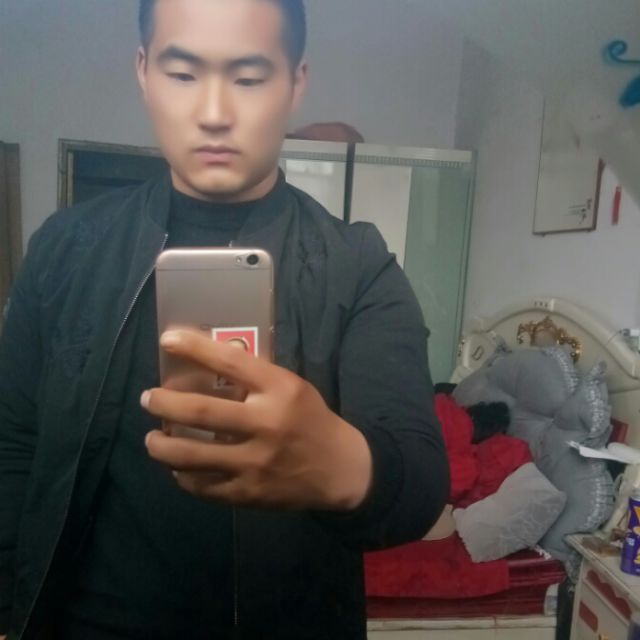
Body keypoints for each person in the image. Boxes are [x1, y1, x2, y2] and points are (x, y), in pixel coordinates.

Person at [0, 0, 449, 638]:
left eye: (249, 77)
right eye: (183, 74)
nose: (214, 112)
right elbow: (15, 444)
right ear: (144, 71)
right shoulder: (64, 249)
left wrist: (343, 466)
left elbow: (423, 478)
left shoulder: (360, 267)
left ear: (295, 82)